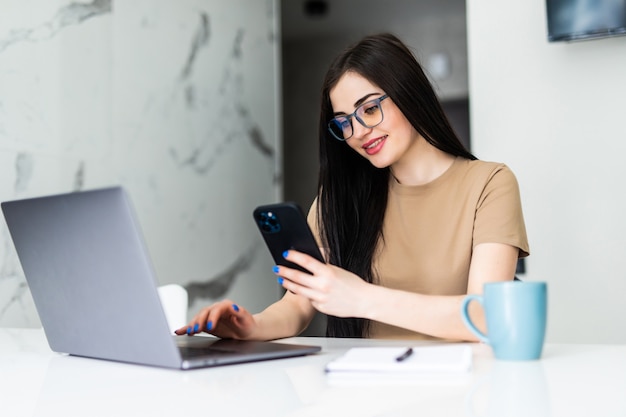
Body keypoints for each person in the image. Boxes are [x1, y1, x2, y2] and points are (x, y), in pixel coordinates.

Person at [175, 33, 529, 341]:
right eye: (343, 123)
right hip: (363, 388)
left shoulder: (490, 184)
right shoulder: (338, 201)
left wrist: (362, 298)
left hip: (461, 389)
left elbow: (486, 316)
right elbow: (298, 305)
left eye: (370, 109)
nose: (358, 132)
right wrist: (250, 326)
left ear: (408, 92)